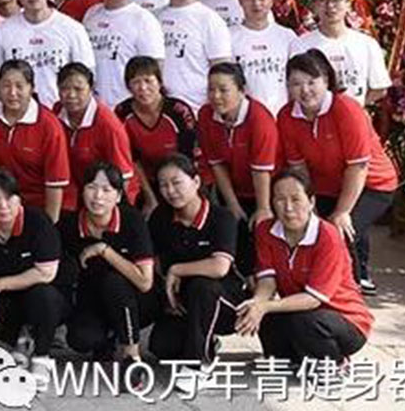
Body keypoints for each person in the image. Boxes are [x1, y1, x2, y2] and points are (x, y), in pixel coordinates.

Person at [279, 50, 397, 292]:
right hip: (327, 186)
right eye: (296, 84)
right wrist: (307, 205)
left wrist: (342, 211)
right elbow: (298, 168)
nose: (305, 90)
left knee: (340, 230)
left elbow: (358, 166)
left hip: (372, 184)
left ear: (326, 80)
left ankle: (348, 292)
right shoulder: (286, 116)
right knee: (310, 227)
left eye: (312, 82)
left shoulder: (347, 109)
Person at [236, 171, 373, 363]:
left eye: (296, 199)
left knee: (305, 321)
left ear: (311, 202)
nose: (288, 208)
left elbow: (314, 299)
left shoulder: (328, 236)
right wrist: (257, 303)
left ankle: (336, 362)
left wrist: (266, 306)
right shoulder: (265, 230)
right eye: (280, 200)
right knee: (265, 314)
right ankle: (293, 358)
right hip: (301, 312)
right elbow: (267, 278)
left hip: (344, 320)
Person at [145, 154, 244, 364]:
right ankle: (205, 340)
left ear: (196, 181)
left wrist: (177, 269)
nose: (170, 191)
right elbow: (155, 262)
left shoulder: (221, 217)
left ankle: (199, 362)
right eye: (163, 185)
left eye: (176, 183)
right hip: (184, 301)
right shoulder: (160, 218)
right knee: (162, 347)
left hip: (224, 301)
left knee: (202, 286)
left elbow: (219, 267)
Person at [59, 161, 155, 361]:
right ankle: (107, 339)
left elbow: (145, 282)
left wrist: (105, 251)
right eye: (91, 188)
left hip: (134, 300)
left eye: (106, 190)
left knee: (114, 282)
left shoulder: (132, 220)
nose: (98, 196)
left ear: (118, 196)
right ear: (82, 191)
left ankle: (131, 352)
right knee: (81, 339)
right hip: (93, 300)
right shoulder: (69, 225)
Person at [0, 169, 66, 360]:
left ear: (19, 199)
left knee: (44, 297)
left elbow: (46, 273)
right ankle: (18, 341)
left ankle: (41, 354)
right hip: (6, 298)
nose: (3, 206)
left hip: (42, 293)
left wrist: (0, 284)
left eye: (9, 198)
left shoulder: (38, 222)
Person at [195, 61, 278, 260]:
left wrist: (263, 207)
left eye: (223, 90)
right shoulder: (206, 115)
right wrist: (232, 204)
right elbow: (216, 163)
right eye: (211, 89)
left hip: (267, 188)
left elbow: (261, 170)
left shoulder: (259, 119)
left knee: (262, 232)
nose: (216, 96)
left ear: (241, 91)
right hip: (233, 186)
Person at [0, 59, 72, 221]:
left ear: (31, 88)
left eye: (19, 86)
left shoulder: (48, 125)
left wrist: (49, 224)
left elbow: (55, 183)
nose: (12, 93)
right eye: (6, 85)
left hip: (37, 208)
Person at [0, 0, 96, 102]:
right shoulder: (2, 31)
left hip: (62, 108)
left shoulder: (72, 28)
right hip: (20, 108)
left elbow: (86, 75)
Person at [82, 0, 165, 108]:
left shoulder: (143, 19)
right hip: (94, 106)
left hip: (128, 107)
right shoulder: (91, 14)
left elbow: (155, 68)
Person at [292, 0, 392, 106]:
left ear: (348, 4)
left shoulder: (367, 44)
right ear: (313, 6)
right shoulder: (300, 45)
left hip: (354, 116)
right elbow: (294, 88)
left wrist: (353, 108)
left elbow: (380, 88)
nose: (330, 5)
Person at [154, 0, 234, 109]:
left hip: (198, 108)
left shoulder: (209, 19)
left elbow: (221, 68)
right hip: (159, 108)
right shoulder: (153, 19)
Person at [113, 56, 196, 208]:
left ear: (159, 82)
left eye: (148, 81)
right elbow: (130, 158)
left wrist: (174, 190)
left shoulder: (178, 111)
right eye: (136, 82)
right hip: (144, 182)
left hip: (180, 179)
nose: (143, 88)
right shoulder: (122, 112)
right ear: (128, 86)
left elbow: (188, 157)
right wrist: (150, 198)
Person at [56, 62, 139, 205]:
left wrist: (115, 208)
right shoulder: (57, 112)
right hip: (75, 193)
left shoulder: (108, 125)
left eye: (78, 89)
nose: (71, 95)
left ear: (91, 88)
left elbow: (123, 176)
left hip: (106, 196)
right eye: (64, 88)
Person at [229, 0, 297, 113]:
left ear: (271, 1)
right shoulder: (228, 37)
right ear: (240, 0)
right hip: (244, 116)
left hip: (282, 115)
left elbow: (297, 78)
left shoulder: (287, 36)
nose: (256, 4)